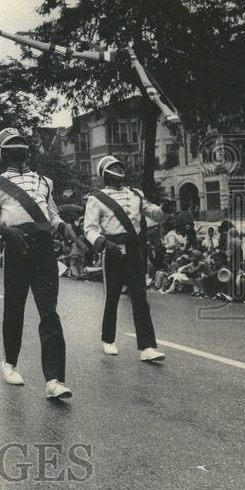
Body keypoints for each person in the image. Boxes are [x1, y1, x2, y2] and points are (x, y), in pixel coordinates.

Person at [0, 127, 81, 399]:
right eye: (12, 143)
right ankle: (10, 363)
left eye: (21, 142)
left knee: (49, 312)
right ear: (3, 153)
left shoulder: (45, 181)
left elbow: (51, 215)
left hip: (44, 250)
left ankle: (54, 380)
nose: (19, 146)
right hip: (16, 248)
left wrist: (64, 228)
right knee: (15, 310)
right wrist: (5, 231)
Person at [83, 155, 166, 362]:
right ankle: (108, 339)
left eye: (121, 166)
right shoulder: (97, 198)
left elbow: (153, 214)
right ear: (105, 174)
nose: (120, 169)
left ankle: (147, 347)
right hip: (112, 251)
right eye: (114, 167)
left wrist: (164, 209)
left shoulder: (136, 194)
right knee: (112, 297)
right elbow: (89, 229)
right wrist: (103, 243)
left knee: (139, 297)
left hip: (134, 250)